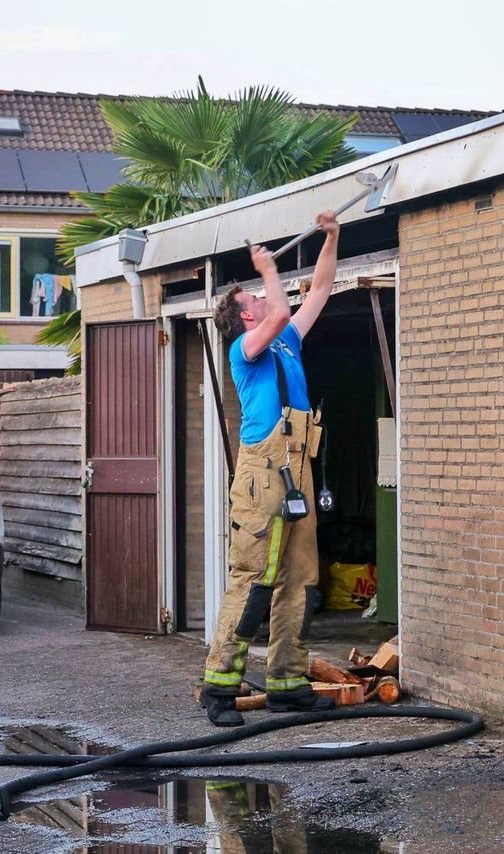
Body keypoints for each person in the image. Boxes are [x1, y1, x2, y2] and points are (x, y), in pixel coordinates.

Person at [201, 210, 340, 726]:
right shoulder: (246, 346)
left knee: (300, 579)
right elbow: (280, 312)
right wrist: (265, 270)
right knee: (254, 575)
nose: (264, 299)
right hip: (263, 472)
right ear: (246, 317)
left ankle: (288, 683)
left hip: (298, 465)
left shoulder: (286, 340)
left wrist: (331, 236)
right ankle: (219, 687)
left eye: (261, 294)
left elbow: (321, 291)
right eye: (255, 300)